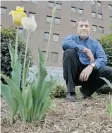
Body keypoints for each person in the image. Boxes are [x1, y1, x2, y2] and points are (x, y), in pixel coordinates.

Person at [62, 17, 112, 102]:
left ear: (90, 29)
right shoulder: (71, 38)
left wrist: (91, 66)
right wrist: (83, 49)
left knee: (109, 70)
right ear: (77, 29)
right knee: (69, 52)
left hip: (90, 75)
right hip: (74, 73)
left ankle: (87, 91)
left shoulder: (95, 43)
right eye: (81, 26)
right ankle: (71, 92)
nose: (84, 28)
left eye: (86, 26)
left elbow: (103, 58)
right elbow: (65, 44)